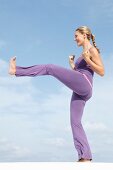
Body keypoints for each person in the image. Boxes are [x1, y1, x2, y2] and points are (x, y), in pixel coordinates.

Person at [9, 26, 104, 162]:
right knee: (75, 122)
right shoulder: (83, 53)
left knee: (50, 67)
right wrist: (72, 64)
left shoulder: (92, 50)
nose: (74, 38)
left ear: (84, 35)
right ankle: (85, 156)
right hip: (80, 89)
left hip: (85, 84)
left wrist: (88, 59)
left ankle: (16, 70)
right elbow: (78, 72)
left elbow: (101, 71)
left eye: (76, 35)